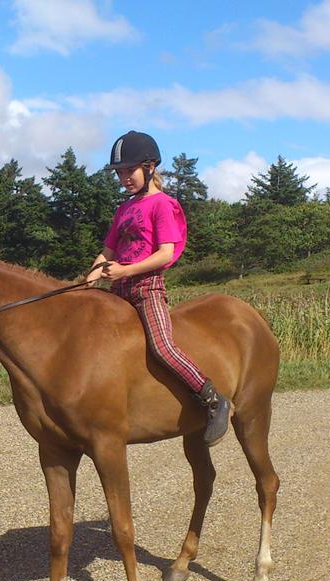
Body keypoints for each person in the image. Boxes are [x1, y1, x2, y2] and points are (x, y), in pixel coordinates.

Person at [85, 130, 232, 445]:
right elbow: (107, 250)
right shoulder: (123, 209)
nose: (124, 178)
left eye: (129, 170)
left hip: (146, 290)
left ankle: (213, 399)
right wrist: (92, 274)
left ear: (150, 166)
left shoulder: (162, 205)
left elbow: (165, 253)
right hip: (118, 293)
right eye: (120, 173)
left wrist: (125, 270)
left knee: (163, 347)